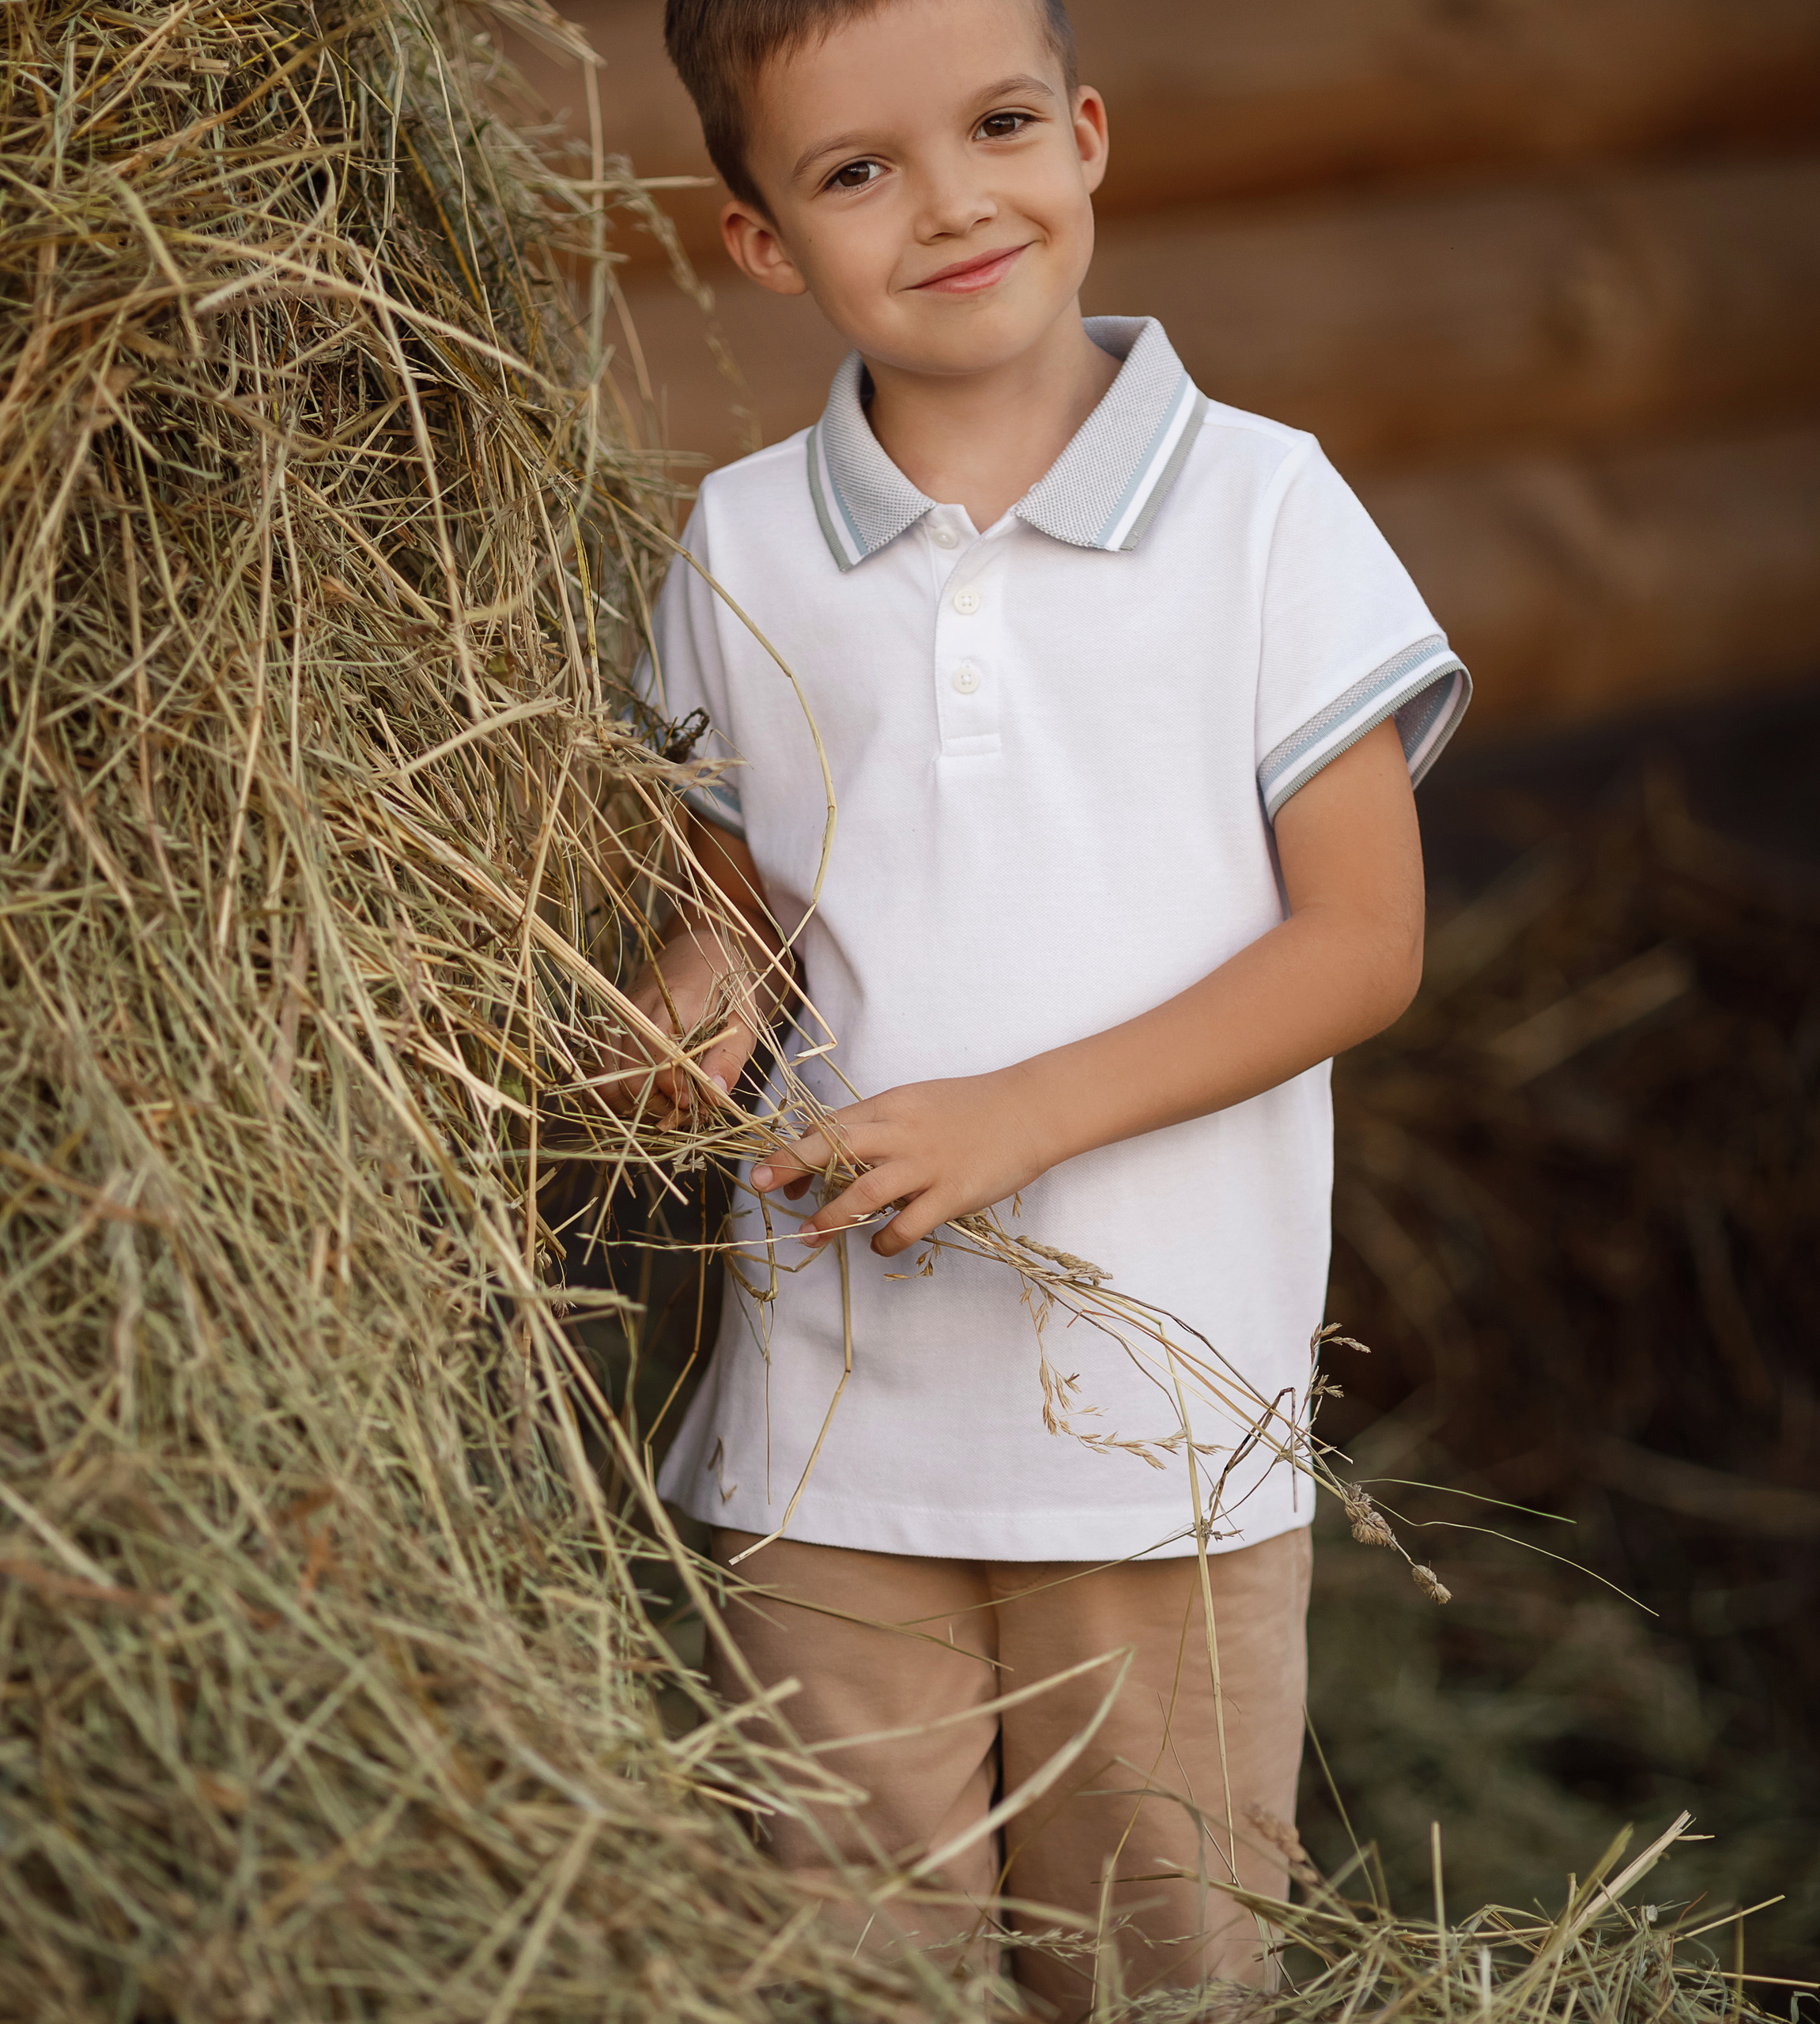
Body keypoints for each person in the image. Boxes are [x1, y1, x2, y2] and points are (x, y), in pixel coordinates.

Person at [610, 0, 1469, 2010]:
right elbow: (736, 903)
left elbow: (1362, 942)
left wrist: (1016, 1112)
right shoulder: (740, 541)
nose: (946, 202)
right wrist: (672, 1015)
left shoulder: (1265, 511)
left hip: (1153, 1427)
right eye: (853, 170)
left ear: (1084, 135)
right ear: (762, 243)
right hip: (826, 1416)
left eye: (994, 124)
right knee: (848, 1938)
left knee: (1155, 1951)